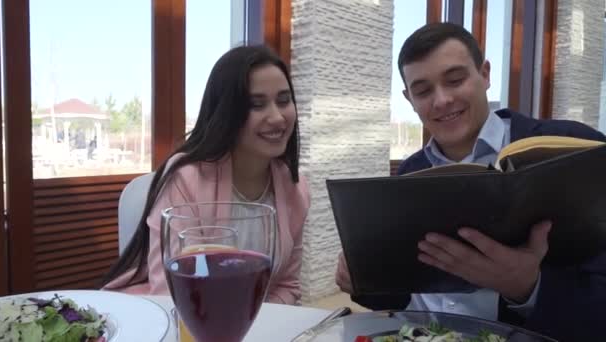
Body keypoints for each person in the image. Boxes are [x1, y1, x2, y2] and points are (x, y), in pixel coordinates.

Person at [336, 22, 606, 341]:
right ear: (409, 99)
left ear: (485, 74)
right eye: (423, 91)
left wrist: (529, 288)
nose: (442, 100)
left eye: (455, 79)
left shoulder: (571, 146)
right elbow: (409, 294)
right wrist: (363, 279)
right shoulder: (411, 171)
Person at [102, 45, 310, 305]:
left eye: (283, 100)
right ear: (227, 112)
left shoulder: (296, 187)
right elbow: (173, 292)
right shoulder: (185, 179)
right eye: (257, 105)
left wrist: (253, 323)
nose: (278, 117)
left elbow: (287, 285)